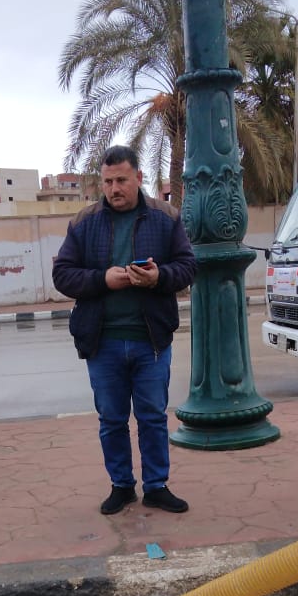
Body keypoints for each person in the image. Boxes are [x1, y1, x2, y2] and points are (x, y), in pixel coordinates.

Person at [53, 145, 197, 514]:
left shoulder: (166, 217)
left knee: (153, 418)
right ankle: (121, 486)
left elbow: (187, 267)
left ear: (138, 177)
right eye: (107, 182)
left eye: (121, 180)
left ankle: (156, 486)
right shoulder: (84, 222)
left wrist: (158, 277)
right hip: (103, 343)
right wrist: (102, 279)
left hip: (151, 341)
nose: (114, 189)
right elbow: (62, 275)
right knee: (112, 420)